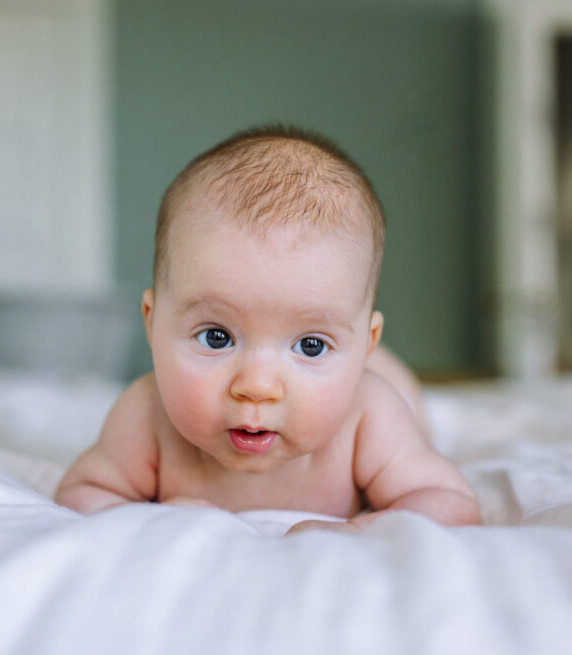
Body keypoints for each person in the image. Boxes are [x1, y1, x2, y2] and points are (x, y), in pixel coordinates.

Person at [55, 125, 480, 532]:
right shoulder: (146, 415)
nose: (257, 386)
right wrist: (151, 520)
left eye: (311, 345)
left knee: (406, 406)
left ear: (365, 346)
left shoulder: (369, 417)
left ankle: (387, 375)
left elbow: (450, 503)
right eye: (216, 337)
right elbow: (83, 493)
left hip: (385, 385)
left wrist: (365, 530)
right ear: (152, 323)